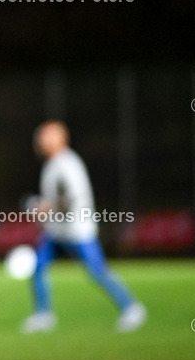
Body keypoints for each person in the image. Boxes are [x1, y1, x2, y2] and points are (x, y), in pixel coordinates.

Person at [21, 120, 146, 333]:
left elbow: (71, 198)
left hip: (77, 230)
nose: (40, 140)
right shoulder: (53, 163)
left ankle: (132, 308)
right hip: (57, 231)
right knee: (39, 268)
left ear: (60, 138)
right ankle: (43, 315)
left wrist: (44, 208)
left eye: (45, 136)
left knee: (98, 271)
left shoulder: (67, 163)